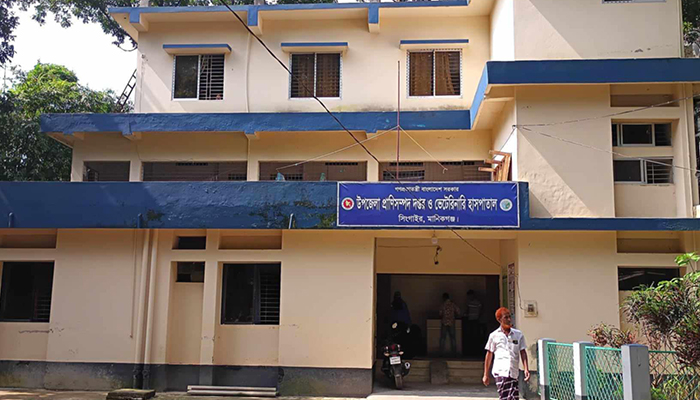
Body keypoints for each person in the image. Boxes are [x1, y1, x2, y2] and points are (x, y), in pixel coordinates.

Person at [483, 307, 530, 400]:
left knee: (513, 397)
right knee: (504, 397)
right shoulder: (494, 335)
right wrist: (486, 374)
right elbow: (489, 354)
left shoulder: (518, 334)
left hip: (513, 372)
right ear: (499, 319)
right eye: (506, 317)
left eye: (509, 317)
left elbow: (523, 352)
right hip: (500, 372)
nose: (509, 320)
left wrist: (526, 369)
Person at [463, 290, 482, 357]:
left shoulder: (477, 302)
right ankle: (471, 351)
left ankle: (476, 351)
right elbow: (467, 310)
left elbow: (480, 310)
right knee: (470, 335)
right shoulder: (469, 302)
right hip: (470, 319)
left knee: (475, 335)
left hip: (476, 320)